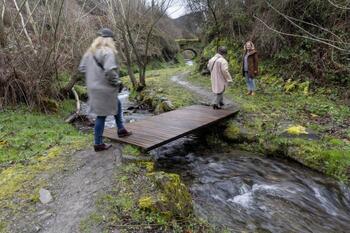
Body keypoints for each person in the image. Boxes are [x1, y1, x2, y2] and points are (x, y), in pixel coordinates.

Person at [79, 28, 132, 152]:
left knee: (117, 103)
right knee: (101, 116)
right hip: (104, 88)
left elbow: (82, 68)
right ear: (110, 40)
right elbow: (109, 70)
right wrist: (117, 82)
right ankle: (98, 143)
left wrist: (94, 77)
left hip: (93, 87)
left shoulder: (89, 53)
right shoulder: (107, 51)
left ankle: (121, 129)